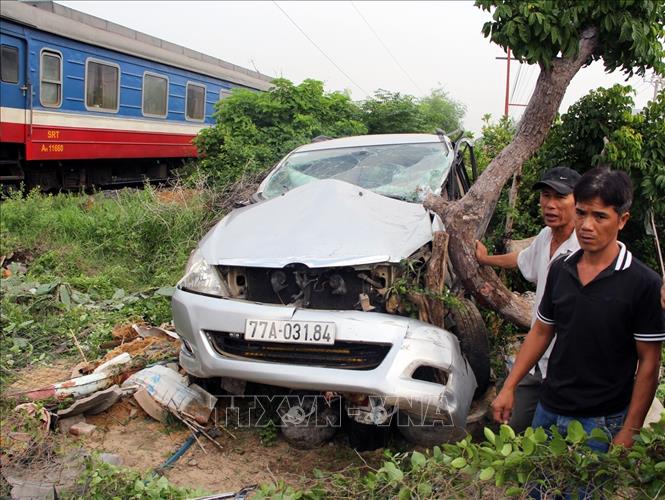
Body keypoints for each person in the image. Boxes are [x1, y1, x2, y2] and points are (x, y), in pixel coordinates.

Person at [492, 167, 664, 452]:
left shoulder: (642, 283)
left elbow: (649, 362)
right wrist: (510, 385)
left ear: (622, 220)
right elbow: (542, 331)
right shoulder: (561, 268)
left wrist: (630, 429)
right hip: (548, 408)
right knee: (539, 489)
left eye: (599, 216)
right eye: (582, 213)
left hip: (600, 420)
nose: (586, 225)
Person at [476, 166, 581, 432]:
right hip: (537, 356)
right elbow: (522, 260)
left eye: (560, 197)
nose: (550, 204)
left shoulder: (586, 248)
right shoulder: (547, 236)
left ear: (578, 202)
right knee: (512, 424)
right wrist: (485, 259)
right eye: (546, 195)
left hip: (570, 367)